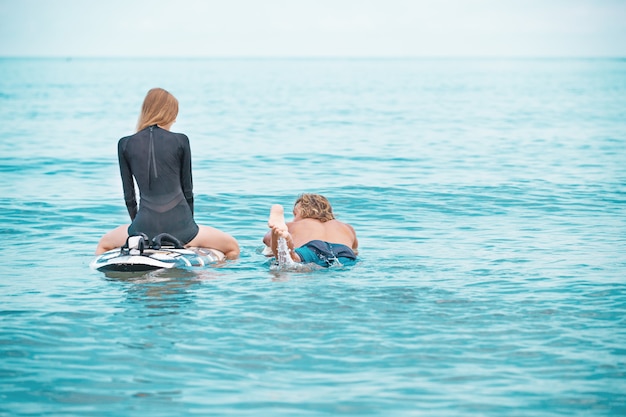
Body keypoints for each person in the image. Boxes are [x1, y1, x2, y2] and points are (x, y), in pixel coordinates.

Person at [95, 88, 239, 259]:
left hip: (142, 228)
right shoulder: (181, 140)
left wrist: (138, 229)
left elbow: (129, 196)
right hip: (182, 229)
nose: (175, 119)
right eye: (174, 114)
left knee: (103, 245)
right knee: (232, 247)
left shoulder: (124, 144)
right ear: (168, 114)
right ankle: (206, 274)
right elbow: (188, 191)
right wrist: (187, 228)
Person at [263, 193, 358, 267]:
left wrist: (275, 236)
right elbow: (355, 251)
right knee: (333, 266)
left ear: (298, 213)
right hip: (344, 252)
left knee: (290, 260)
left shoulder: (293, 225)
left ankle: (288, 244)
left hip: (312, 248)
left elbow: (267, 239)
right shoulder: (347, 227)